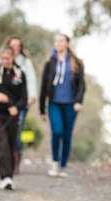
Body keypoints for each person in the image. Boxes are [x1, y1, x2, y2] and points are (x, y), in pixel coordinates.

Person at [39, 33, 85, 178]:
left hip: (71, 104)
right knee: (57, 131)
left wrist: (78, 101)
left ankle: (63, 165)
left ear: (67, 43)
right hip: (54, 103)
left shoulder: (76, 63)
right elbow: (43, 86)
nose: (58, 43)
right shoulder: (50, 62)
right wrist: (42, 109)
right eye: (56, 41)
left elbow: (82, 85)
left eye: (61, 41)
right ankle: (54, 161)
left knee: (66, 135)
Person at [0, 46, 27, 190]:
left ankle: (10, 176)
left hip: (13, 116)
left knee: (12, 145)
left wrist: (16, 107)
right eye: (3, 59)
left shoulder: (20, 74)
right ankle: (5, 177)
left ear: (13, 57)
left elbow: (23, 97)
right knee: (3, 145)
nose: (5, 61)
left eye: (8, 59)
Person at [3, 36, 37, 175]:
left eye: (18, 45)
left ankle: (16, 159)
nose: (16, 47)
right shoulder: (3, 59)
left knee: (17, 131)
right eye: (13, 45)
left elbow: (31, 79)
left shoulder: (26, 62)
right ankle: (5, 160)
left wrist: (32, 96)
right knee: (4, 132)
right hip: (4, 103)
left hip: (21, 102)